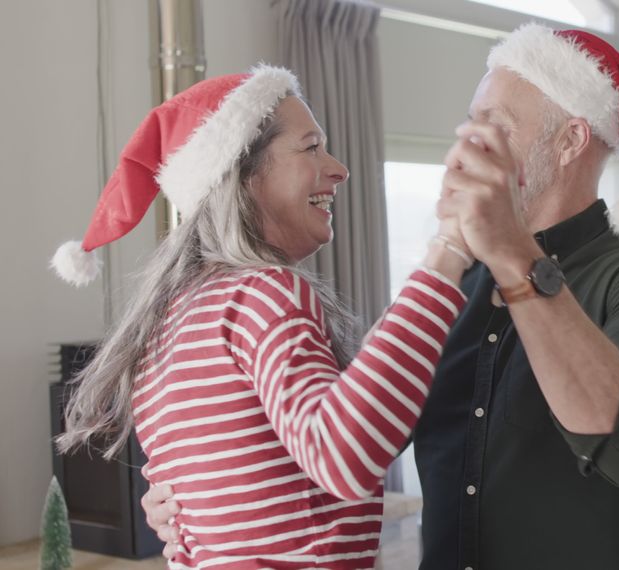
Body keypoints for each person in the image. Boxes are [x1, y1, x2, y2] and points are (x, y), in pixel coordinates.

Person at [147, 24, 619, 569]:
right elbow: (347, 434)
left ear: (570, 141)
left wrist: (514, 257)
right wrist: (200, 501)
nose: (464, 147)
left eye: (494, 126)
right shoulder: (447, 287)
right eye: (470, 125)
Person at [52, 65, 475, 569]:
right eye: (311, 146)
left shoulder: (167, 321)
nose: (339, 168)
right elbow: (343, 457)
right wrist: (447, 253)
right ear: (245, 174)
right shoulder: (264, 293)